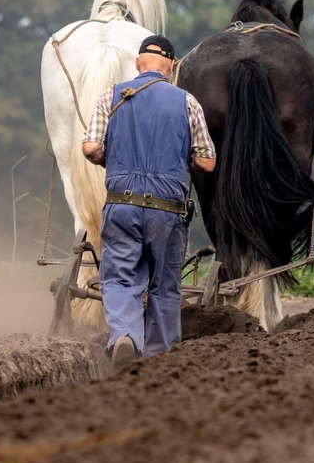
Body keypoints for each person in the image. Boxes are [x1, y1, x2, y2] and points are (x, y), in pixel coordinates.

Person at [82, 35, 216, 368]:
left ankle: (125, 336)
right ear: (171, 67)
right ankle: (159, 360)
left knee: (121, 277)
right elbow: (207, 162)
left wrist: (111, 158)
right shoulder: (187, 102)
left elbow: (90, 147)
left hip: (121, 204)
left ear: (139, 63)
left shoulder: (111, 97)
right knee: (164, 285)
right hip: (167, 211)